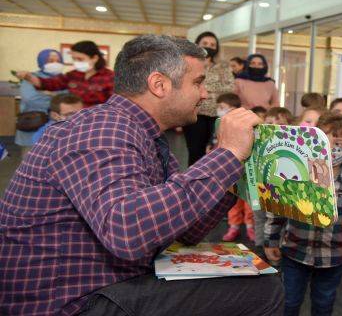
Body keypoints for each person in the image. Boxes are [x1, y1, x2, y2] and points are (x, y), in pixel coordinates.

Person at [0, 35, 283, 316]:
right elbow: (127, 232)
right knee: (262, 290)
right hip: (68, 302)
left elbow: (187, 230)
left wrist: (233, 176)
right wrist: (228, 153)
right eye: (197, 82)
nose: (204, 94)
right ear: (159, 85)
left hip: (105, 284)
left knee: (255, 273)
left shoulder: (144, 135)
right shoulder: (101, 130)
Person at [264, 115, 342, 316]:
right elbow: (279, 209)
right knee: (289, 301)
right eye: (324, 141)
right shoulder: (298, 173)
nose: (330, 147)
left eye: (338, 143)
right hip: (295, 251)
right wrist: (270, 239)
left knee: (324, 303)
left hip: (332, 257)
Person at [183, 31, 234, 166]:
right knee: (195, 152)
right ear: (197, 44)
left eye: (212, 44)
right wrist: (214, 87)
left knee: (215, 153)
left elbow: (229, 87)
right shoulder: (187, 64)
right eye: (205, 44)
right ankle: (192, 184)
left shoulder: (223, 67)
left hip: (217, 115)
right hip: (195, 113)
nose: (209, 47)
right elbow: (185, 85)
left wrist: (202, 85)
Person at [15, 40, 114, 107]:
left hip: (97, 121)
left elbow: (114, 104)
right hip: (73, 119)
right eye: (74, 59)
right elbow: (51, 84)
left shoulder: (110, 77)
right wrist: (29, 77)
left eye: (80, 59)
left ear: (95, 58)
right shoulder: (73, 75)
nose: (76, 62)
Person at [214, 94, 255, 243]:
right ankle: (234, 227)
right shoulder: (220, 125)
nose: (219, 110)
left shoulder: (247, 126)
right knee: (233, 203)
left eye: (222, 108)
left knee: (248, 202)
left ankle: (250, 226)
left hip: (246, 171)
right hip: (230, 173)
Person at [14, 49, 65, 147]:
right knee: (31, 158)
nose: (55, 63)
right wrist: (56, 101)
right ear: (42, 62)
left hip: (58, 128)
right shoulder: (31, 78)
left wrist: (47, 94)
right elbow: (31, 98)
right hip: (33, 125)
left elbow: (71, 99)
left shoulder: (64, 79)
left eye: (58, 61)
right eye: (51, 61)